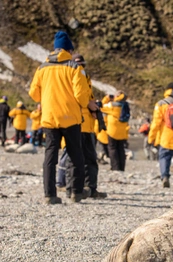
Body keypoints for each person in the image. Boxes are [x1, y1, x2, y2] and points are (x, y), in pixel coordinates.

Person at [29, 30, 95, 204]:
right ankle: (76, 193)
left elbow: (34, 94)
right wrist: (81, 105)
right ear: (69, 50)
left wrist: (48, 99)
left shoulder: (42, 68)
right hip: (70, 118)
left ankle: (49, 195)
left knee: (50, 155)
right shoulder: (75, 67)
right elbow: (81, 96)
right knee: (75, 154)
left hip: (49, 118)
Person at [68, 53, 107, 198]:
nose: (80, 67)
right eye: (78, 65)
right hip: (79, 123)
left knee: (80, 158)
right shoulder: (75, 77)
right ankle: (80, 189)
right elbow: (79, 98)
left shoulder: (83, 78)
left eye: (82, 65)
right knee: (84, 158)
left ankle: (83, 189)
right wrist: (90, 105)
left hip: (84, 123)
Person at [101, 90, 130, 171]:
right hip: (122, 131)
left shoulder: (112, 105)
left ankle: (115, 167)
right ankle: (122, 167)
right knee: (121, 149)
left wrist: (106, 98)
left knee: (112, 148)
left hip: (112, 130)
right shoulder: (126, 105)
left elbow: (101, 107)